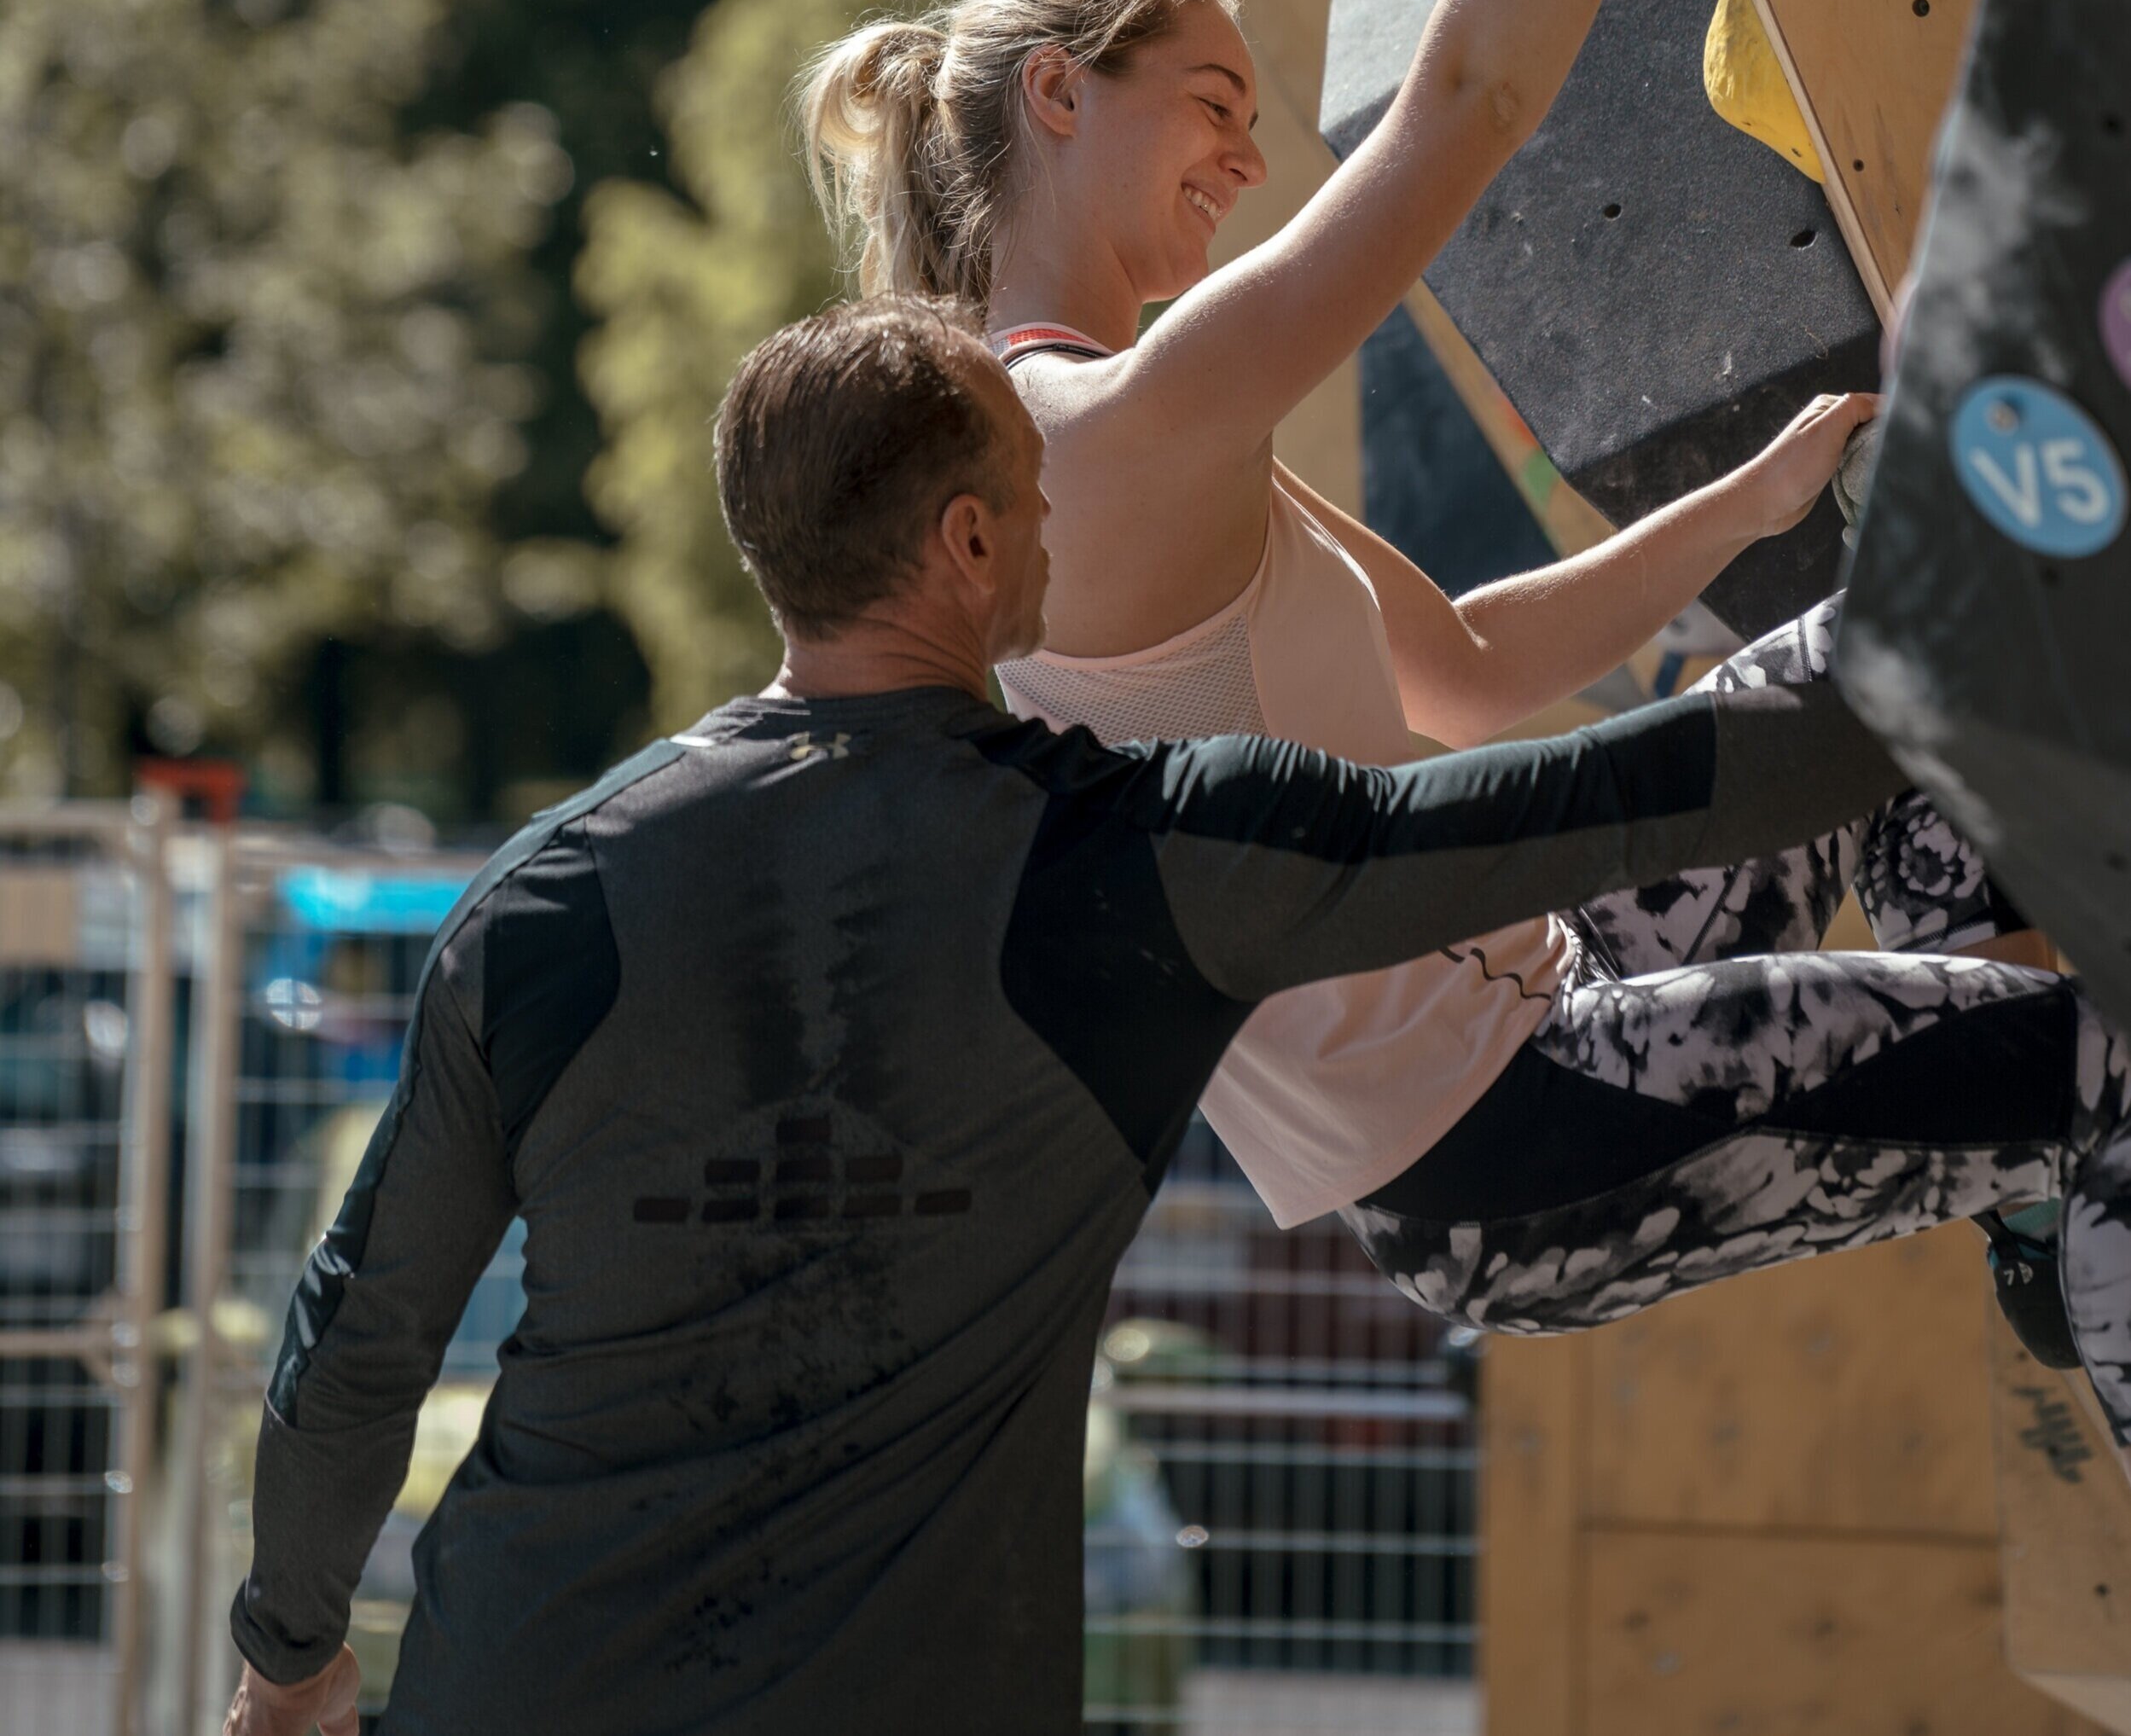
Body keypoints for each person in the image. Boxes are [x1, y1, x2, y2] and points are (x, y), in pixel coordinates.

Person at [222, 299, 1932, 1736]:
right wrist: (1949, 645)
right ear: (967, 542)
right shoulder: (1122, 856)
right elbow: (1603, 801)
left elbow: (358, 1339)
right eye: (1034, 496)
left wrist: (289, 1654)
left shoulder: (540, 899)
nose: (1056, 527)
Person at [799, 0, 2101, 1359]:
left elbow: (1472, 662)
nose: (1248, 157)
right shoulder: (1097, 438)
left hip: (1557, 966)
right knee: (2101, 1055)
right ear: (1057, 95)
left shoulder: (1133, 435)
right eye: (1210, 99)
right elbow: (1468, 102)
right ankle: (2062, 1161)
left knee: (1906, 645)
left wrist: (1754, 496)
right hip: (1511, 1146)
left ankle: (2027, 1168)